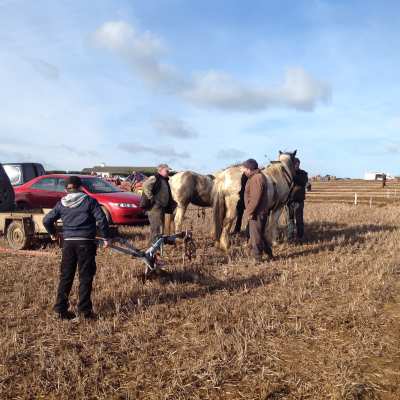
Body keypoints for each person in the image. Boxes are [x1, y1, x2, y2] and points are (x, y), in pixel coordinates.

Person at [43, 176, 111, 320]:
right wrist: (105, 237)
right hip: (85, 242)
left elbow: (47, 220)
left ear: (66, 189)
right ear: (80, 187)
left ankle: (60, 310)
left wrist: (53, 233)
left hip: (68, 244)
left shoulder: (61, 203)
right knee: (85, 277)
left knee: (66, 276)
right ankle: (84, 312)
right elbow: (101, 219)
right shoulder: (89, 201)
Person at [242, 158, 272, 263]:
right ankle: (269, 252)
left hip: (257, 212)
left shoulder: (256, 178)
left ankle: (257, 258)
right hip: (258, 211)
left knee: (256, 237)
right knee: (260, 234)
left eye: (245, 168)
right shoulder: (255, 177)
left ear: (250, 169)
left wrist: (249, 212)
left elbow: (255, 198)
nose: (244, 170)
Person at [141, 164, 176, 244]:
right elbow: (145, 186)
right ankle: (152, 249)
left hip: (161, 207)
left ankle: (157, 247)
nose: (168, 172)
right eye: (166, 171)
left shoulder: (164, 179)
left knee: (160, 228)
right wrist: (152, 198)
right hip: (155, 207)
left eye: (168, 171)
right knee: (156, 228)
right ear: (160, 170)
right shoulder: (154, 178)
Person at [287, 158, 308, 242]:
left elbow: (302, 181)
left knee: (299, 220)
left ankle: (300, 237)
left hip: (299, 201)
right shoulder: (288, 174)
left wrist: (292, 174)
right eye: (294, 164)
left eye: (297, 164)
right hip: (289, 201)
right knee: (290, 220)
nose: (295, 165)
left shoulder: (303, 173)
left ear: (299, 164)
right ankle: (290, 237)